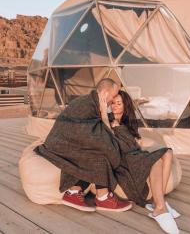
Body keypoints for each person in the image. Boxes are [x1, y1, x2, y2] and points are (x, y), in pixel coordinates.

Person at [33, 78, 132, 212]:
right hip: (59, 145)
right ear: (104, 93)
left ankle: (74, 192)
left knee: (98, 152)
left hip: (64, 141)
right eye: (113, 95)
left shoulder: (92, 102)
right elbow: (99, 137)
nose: (113, 101)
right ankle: (102, 198)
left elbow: (92, 132)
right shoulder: (88, 104)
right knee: (102, 155)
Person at [104, 90, 180, 234]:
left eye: (119, 103)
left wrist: (135, 141)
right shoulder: (108, 120)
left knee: (168, 152)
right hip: (125, 160)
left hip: (135, 154)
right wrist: (115, 128)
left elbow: (135, 143)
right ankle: (160, 208)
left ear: (125, 106)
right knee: (156, 162)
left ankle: (159, 201)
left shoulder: (128, 121)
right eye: (113, 103)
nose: (114, 106)